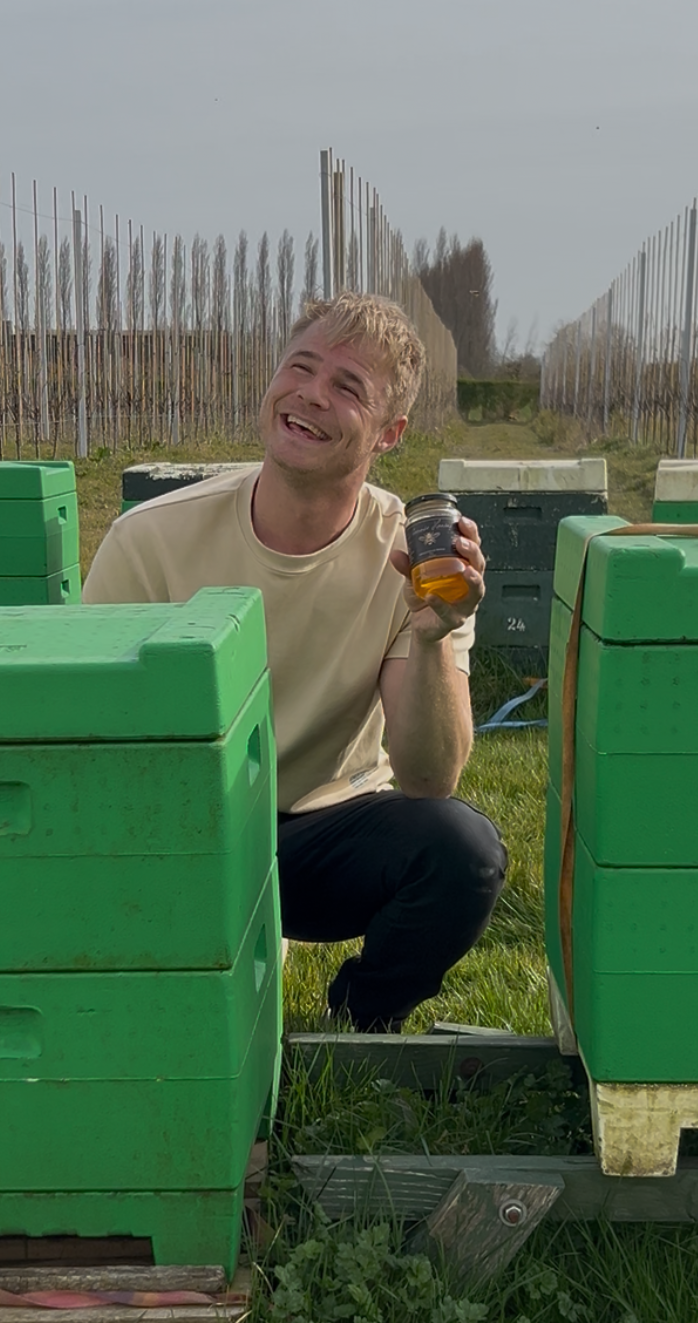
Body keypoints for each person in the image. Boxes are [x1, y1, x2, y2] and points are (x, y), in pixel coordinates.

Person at [83, 291, 507, 1031]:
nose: (311, 394)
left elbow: (430, 778)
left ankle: (361, 1024)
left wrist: (436, 635)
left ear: (389, 432)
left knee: (460, 846)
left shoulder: (409, 554)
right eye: (301, 368)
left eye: (348, 387)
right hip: (186, 830)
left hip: (323, 832)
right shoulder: (150, 540)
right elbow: (86, 735)